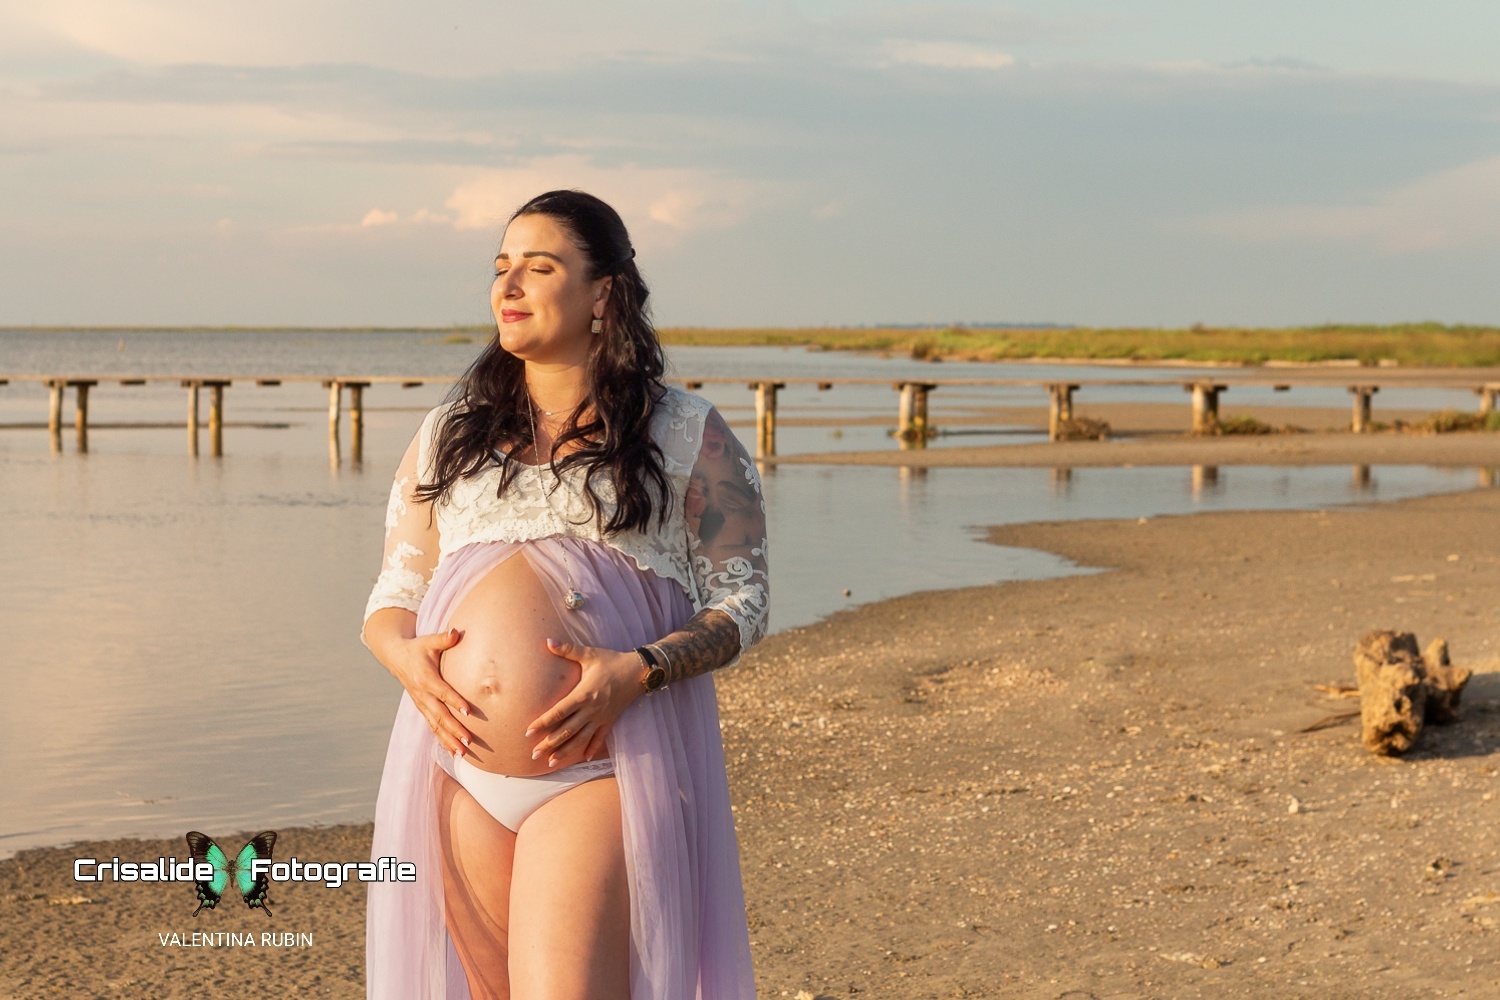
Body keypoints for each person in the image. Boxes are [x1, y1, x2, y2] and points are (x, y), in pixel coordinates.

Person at [359, 189, 768, 1000]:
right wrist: (404, 658)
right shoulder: (451, 433)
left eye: (538, 268)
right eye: (502, 268)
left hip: (605, 769)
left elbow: (744, 605)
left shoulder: (684, 431)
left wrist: (638, 670)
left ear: (603, 293)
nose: (508, 287)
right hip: (454, 771)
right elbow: (391, 596)